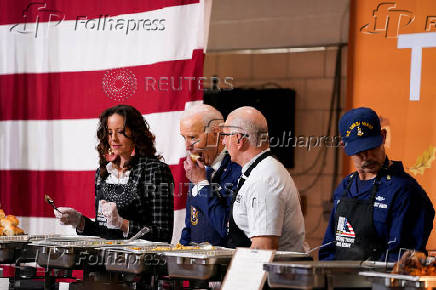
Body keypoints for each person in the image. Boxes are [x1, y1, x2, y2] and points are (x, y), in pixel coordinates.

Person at [319, 107, 434, 261]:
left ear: (383, 136)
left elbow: (401, 260)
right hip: (341, 280)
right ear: (343, 146)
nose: (367, 157)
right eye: (359, 151)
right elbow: (329, 250)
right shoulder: (345, 188)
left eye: (371, 147)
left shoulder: (405, 192)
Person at [53, 105, 174, 242]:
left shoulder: (156, 171)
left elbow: (163, 235)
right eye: (110, 132)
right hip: (104, 260)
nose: (113, 139)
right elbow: (103, 232)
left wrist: (121, 223)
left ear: (135, 133)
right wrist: (79, 221)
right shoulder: (103, 172)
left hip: (138, 261)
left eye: (120, 131)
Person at [222, 106, 305, 251]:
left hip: (275, 273)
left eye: (225, 136)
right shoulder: (257, 171)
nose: (223, 142)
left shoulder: (264, 179)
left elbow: (264, 248)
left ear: (239, 139)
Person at [179, 104, 241, 246]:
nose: (187, 147)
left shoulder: (238, 170)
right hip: (195, 265)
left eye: (193, 137)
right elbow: (191, 226)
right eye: (184, 138)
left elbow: (228, 230)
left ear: (217, 133)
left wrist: (201, 184)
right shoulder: (199, 170)